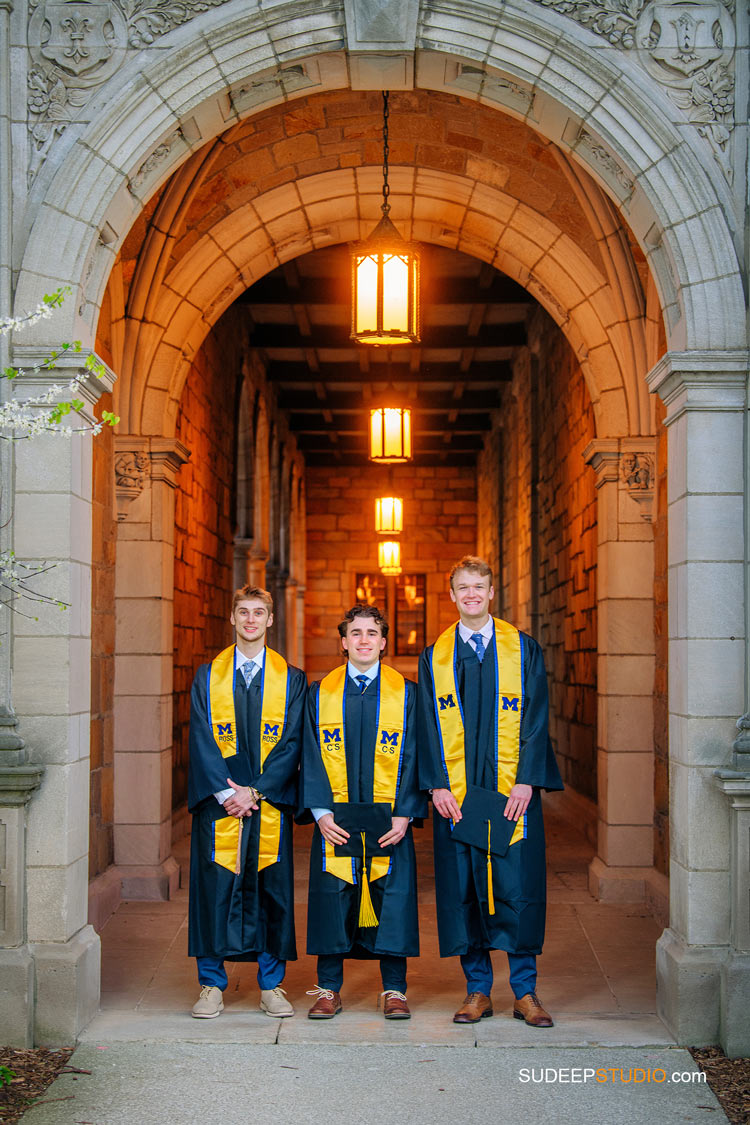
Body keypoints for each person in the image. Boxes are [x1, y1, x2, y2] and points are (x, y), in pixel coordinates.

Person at [417, 556, 563, 1027]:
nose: (472, 595)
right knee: (465, 888)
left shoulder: (522, 649)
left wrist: (525, 780)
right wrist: (437, 783)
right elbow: (425, 727)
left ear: (492, 592)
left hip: (510, 794)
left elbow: (537, 719)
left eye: (479, 587)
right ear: (452, 594)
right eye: (463, 588)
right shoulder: (434, 656)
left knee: (515, 884)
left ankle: (525, 992)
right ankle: (477, 991)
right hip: (456, 796)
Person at [301, 604, 425, 1020]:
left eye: (372, 632)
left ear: (384, 642)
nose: (364, 640)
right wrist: (320, 813)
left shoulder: (407, 693)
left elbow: (415, 758)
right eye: (356, 633)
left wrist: (405, 813)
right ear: (343, 642)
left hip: (389, 820)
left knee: (392, 898)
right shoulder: (320, 694)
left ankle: (395, 990)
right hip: (336, 819)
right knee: (333, 897)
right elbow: (311, 755)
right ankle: (328, 989)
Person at [187, 584, 306, 1019]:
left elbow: (293, 744)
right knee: (214, 890)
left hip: (266, 804)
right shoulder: (208, 676)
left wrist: (254, 791)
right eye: (243, 612)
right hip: (219, 805)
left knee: (270, 892)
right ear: (232, 619)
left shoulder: (291, 679)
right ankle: (211, 985)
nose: (251, 619)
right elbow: (200, 736)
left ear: (270, 620)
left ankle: (272, 985)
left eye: (259, 612)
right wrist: (225, 791)